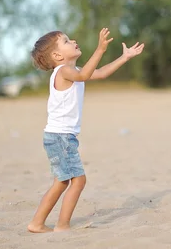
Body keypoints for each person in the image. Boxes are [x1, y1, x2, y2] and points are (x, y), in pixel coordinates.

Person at [27, 28, 144, 232]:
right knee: (78, 180)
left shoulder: (72, 71)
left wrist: (123, 58)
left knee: (62, 181)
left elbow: (99, 73)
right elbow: (83, 75)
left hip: (59, 136)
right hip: (61, 137)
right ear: (57, 55)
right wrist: (100, 49)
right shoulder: (64, 71)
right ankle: (62, 225)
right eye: (65, 41)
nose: (73, 40)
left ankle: (37, 223)